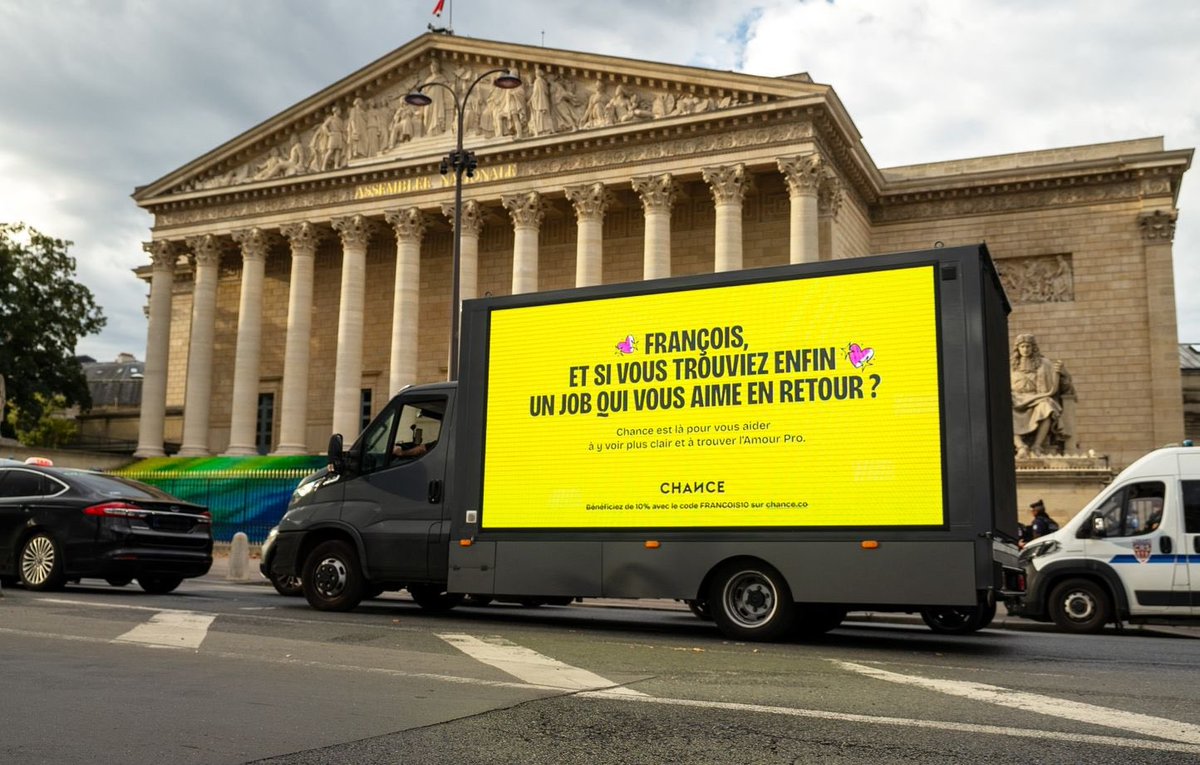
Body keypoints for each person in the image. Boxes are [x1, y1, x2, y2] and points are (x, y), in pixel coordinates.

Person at [1011, 333, 1069, 457]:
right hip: (1016, 399)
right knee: (1004, 406)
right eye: (1022, 347)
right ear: (1018, 349)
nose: (1025, 349)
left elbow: (1062, 387)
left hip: (1038, 398)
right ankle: (1020, 446)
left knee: (1047, 406)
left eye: (1028, 346)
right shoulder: (1010, 365)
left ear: (1033, 348)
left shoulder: (1044, 364)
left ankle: (1037, 445)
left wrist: (1062, 374)